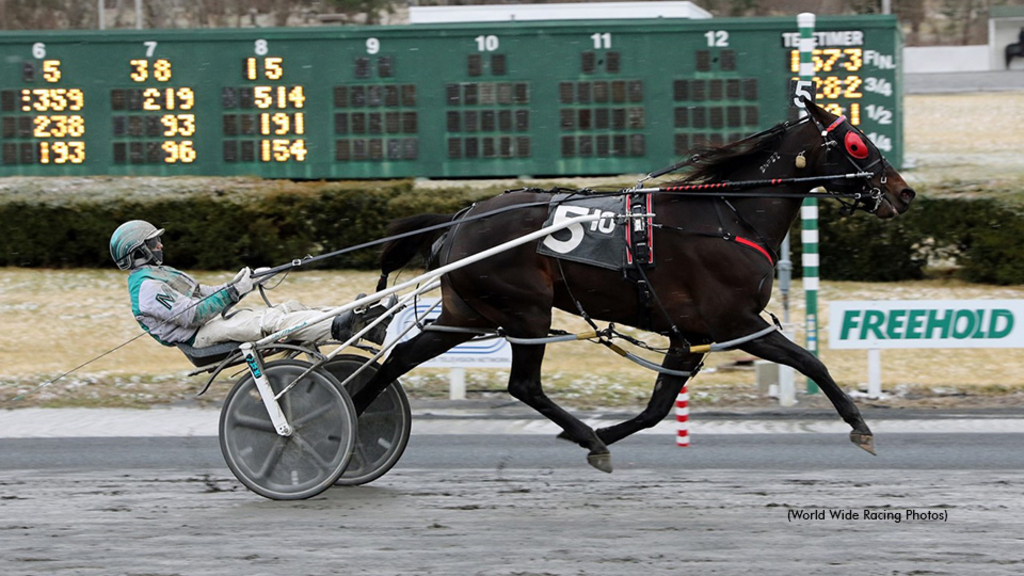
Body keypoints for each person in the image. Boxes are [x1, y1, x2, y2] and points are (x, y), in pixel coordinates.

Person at [109, 220, 387, 349]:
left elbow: (203, 294)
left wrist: (246, 282)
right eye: (152, 242)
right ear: (137, 252)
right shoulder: (146, 288)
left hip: (208, 325)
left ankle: (359, 319)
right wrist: (235, 291)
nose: (160, 244)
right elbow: (193, 314)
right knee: (269, 321)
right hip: (198, 336)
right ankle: (339, 325)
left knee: (288, 308)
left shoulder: (160, 274)